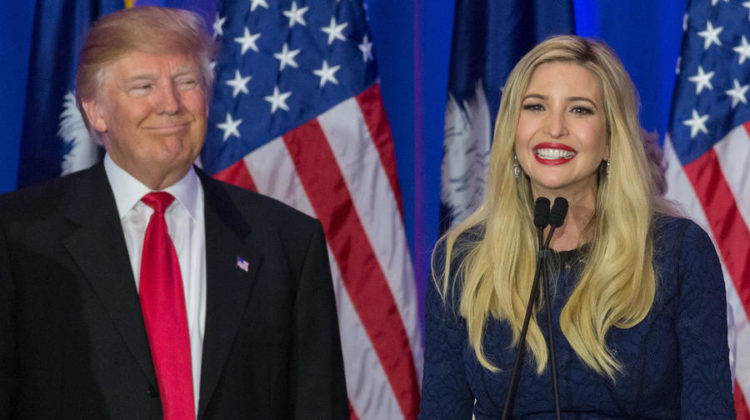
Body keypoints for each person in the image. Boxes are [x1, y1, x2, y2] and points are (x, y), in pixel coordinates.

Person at [0, 6, 348, 419]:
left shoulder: (288, 242)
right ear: (95, 111)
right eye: (143, 85)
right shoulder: (18, 236)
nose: (170, 104)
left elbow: (316, 406)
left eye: (187, 82)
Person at [419, 35, 735, 419]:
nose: (554, 128)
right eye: (535, 106)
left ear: (610, 140)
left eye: (580, 110)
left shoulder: (677, 252)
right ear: (512, 132)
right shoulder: (462, 261)